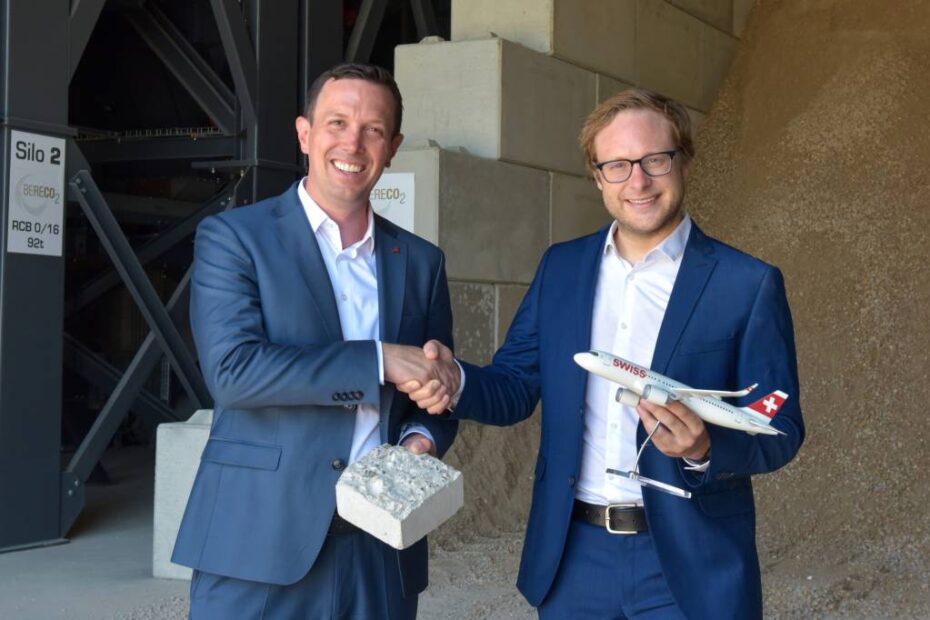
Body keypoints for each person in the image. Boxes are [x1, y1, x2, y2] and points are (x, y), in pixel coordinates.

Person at [402, 89, 805, 619]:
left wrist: (703, 448)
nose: (637, 181)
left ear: (683, 162)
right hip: (575, 559)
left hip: (687, 561)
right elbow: (516, 386)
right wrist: (455, 380)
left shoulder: (746, 284)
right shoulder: (562, 268)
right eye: (616, 165)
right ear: (597, 177)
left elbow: (781, 431)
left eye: (654, 160)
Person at [172, 63, 459, 619]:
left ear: (393, 147)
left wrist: (423, 437)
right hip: (259, 538)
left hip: (380, 542)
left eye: (373, 129)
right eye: (337, 122)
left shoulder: (421, 262)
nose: (352, 142)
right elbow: (234, 373)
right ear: (304, 134)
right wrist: (378, 360)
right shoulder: (236, 238)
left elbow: (437, 387)